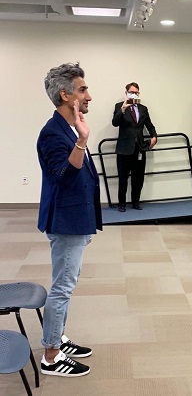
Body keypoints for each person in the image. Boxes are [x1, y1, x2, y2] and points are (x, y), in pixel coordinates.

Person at [37, 62, 102, 377]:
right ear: (65, 95)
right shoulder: (53, 133)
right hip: (65, 220)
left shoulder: (71, 125)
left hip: (77, 217)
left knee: (68, 282)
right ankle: (51, 356)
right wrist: (82, 141)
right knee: (63, 285)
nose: (89, 95)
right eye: (82, 89)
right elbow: (62, 175)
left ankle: (58, 337)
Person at [112, 82, 157, 212]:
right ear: (126, 93)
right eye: (131, 92)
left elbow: (150, 125)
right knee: (123, 178)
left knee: (138, 177)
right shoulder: (119, 106)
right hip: (124, 148)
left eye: (136, 92)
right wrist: (123, 109)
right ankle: (122, 204)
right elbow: (115, 123)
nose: (134, 94)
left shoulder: (143, 109)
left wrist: (154, 136)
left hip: (139, 148)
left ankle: (136, 202)